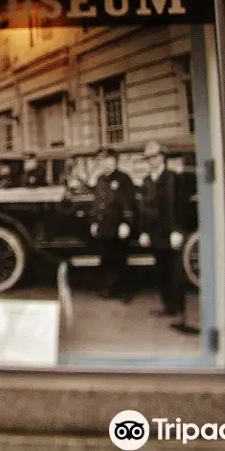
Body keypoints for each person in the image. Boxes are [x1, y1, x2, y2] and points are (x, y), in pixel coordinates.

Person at [138, 141, 198, 334]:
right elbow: (143, 210)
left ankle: (181, 312)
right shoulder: (147, 181)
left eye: (155, 157)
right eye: (149, 158)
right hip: (155, 234)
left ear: (162, 157)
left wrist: (178, 231)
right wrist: (143, 231)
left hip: (171, 234)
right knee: (161, 271)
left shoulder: (173, 178)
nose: (152, 161)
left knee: (175, 273)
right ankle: (168, 306)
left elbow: (182, 207)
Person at [89, 147, 137, 300]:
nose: (105, 163)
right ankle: (109, 289)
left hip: (118, 225)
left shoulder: (124, 179)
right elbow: (97, 204)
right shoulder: (101, 179)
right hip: (104, 225)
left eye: (109, 160)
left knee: (120, 259)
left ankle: (125, 292)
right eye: (102, 160)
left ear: (115, 161)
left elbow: (129, 203)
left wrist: (126, 223)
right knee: (106, 258)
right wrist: (94, 222)